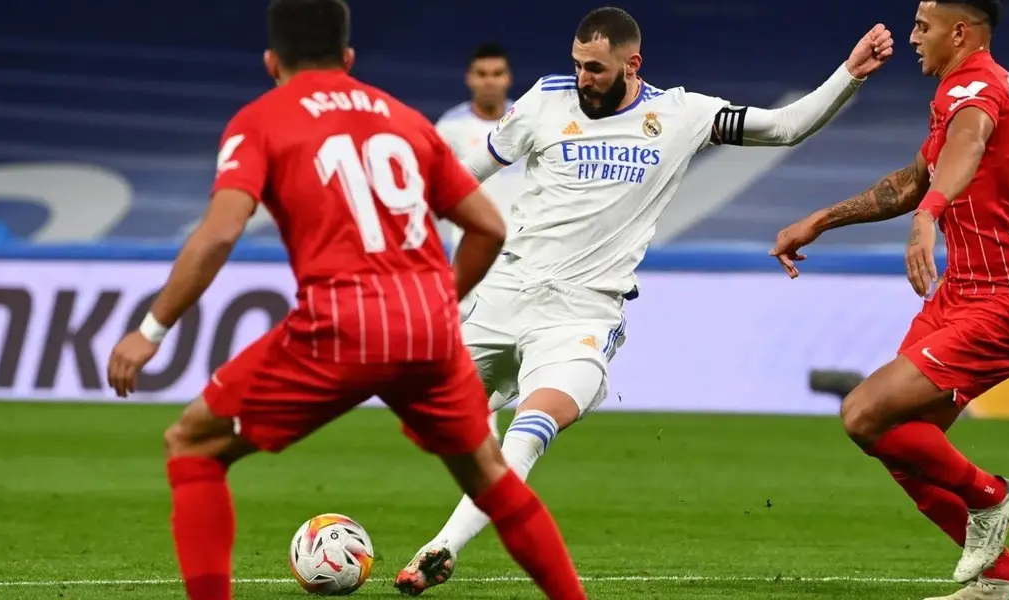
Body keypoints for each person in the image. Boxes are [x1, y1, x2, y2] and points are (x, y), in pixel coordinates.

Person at [394, 5, 894, 595]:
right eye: (578, 65)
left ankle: (440, 550)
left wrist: (849, 75)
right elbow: (462, 175)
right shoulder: (544, 101)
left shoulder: (680, 114)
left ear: (633, 64)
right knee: (419, 415)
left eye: (597, 69)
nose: (583, 79)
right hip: (502, 298)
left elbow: (785, 126)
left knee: (527, 431)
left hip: (582, 316)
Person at [104, 1, 586, 598]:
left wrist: (150, 330)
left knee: (193, 446)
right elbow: (488, 226)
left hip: (339, 325)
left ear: (271, 60)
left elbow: (221, 231)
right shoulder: (404, 119)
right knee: (490, 475)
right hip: (427, 330)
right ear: (349, 57)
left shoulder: (261, 119)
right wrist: (441, 303)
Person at [769, 1, 1009, 599]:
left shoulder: (977, 88)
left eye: (923, 27)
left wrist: (931, 215)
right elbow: (913, 180)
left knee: (862, 412)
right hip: (964, 293)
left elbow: (969, 146)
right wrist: (820, 220)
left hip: (1005, 301)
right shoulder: (958, 90)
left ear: (960, 32)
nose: (913, 37)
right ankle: (1006, 585)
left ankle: (993, 494)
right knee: (899, 446)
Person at [433, 42, 524, 438]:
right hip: (474, 263)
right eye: (482, 74)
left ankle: (516, 442)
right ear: (471, 78)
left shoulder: (528, 119)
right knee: (476, 361)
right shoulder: (450, 129)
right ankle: (487, 449)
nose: (490, 82)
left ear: (508, 78)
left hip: (528, 259)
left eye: (497, 74)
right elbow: (432, 196)